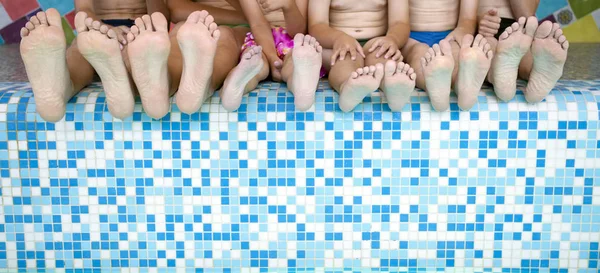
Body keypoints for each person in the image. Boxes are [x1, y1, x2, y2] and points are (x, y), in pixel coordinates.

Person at [20, 0, 172, 121]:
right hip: (98, 26)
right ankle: (58, 91)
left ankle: (123, 88)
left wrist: (140, 31)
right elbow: (84, 10)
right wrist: (104, 28)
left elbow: (160, 14)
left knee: (135, 57)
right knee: (79, 50)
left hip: (138, 28)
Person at [309, 0, 416, 113]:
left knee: (384, 57)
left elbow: (400, 22)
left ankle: (393, 89)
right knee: (344, 61)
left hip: (376, 41)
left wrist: (393, 39)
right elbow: (317, 25)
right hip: (340, 42)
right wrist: (338, 38)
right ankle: (347, 88)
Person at [218, 0, 323, 112]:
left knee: (295, 63)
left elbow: (299, 31)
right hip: (261, 39)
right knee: (254, 62)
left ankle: (302, 89)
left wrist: (288, 5)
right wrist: (272, 57)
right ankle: (234, 88)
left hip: (293, 41)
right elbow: (258, 24)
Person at [399, 0, 493, 111]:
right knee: (419, 55)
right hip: (413, 37)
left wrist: (462, 30)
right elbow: (399, 21)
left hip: (450, 35)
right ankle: (435, 88)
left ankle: (465, 89)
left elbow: (468, 18)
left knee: (459, 57)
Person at [478, 0, 569, 103]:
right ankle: (503, 77)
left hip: (518, 30)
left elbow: (526, 16)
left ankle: (538, 73)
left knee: (525, 53)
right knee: (488, 47)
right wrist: (481, 22)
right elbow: (466, 17)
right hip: (485, 28)